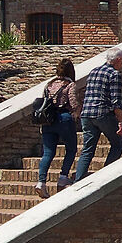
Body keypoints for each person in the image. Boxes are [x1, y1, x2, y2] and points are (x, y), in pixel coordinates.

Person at [71, 46, 122, 181]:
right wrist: (121, 121)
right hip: (102, 113)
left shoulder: (94, 71)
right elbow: (116, 100)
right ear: (118, 60)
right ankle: (105, 176)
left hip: (87, 114)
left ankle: (78, 180)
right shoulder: (114, 74)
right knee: (117, 143)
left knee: (88, 148)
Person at [33, 58, 77, 196]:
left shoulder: (49, 84)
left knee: (48, 152)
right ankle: (63, 178)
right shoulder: (69, 85)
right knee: (71, 148)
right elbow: (74, 103)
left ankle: (41, 182)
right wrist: (77, 114)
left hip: (48, 121)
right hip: (64, 118)